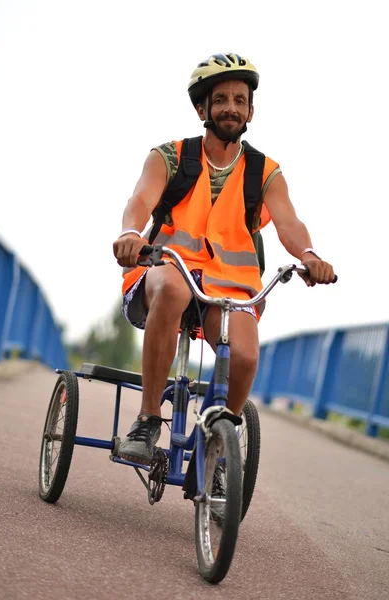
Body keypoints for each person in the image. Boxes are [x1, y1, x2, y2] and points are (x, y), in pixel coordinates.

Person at [112, 53, 335, 466]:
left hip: (230, 287)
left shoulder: (264, 172)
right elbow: (140, 200)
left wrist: (308, 254)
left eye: (239, 99)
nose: (231, 107)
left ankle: (218, 444)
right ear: (203, 108)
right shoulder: (170, 156)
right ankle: (146, 420)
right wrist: (130, 232)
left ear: (250, 109)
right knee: (174, 287)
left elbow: (289, 222)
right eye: (220, 100)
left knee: (246, 357)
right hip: (166, 268)